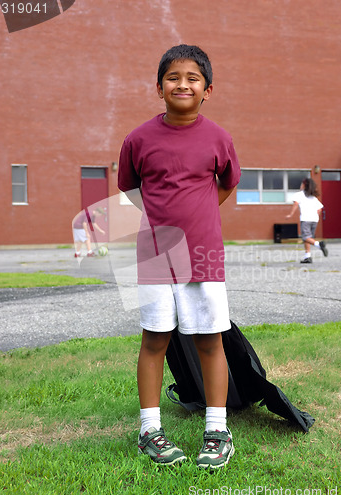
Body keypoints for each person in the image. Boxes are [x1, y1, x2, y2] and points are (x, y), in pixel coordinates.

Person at [118, 44, 241, 468]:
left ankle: (217, 428)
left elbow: (227, 185)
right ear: (158, 87)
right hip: (154, 255)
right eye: (173, 77)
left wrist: (198, 215)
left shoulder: (218, 138)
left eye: (192, 78)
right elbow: (131, 189)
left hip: (204, 253)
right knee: (154, 339)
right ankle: (149, 429)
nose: (182, 84)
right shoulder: (138, 139)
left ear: (208, 89)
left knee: (209, 340)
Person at [286, 178, 328, 263]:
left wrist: (290, 214)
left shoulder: (299, 195)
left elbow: (295, 204)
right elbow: (319, 209)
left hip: (306, 219)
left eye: (302, 184)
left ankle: (319, 244)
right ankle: (307, 257)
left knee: (305, 237)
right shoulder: (313, 197)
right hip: (314, 219)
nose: (300, 185)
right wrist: (316, 217)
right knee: (308, 238)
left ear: (304, 185)